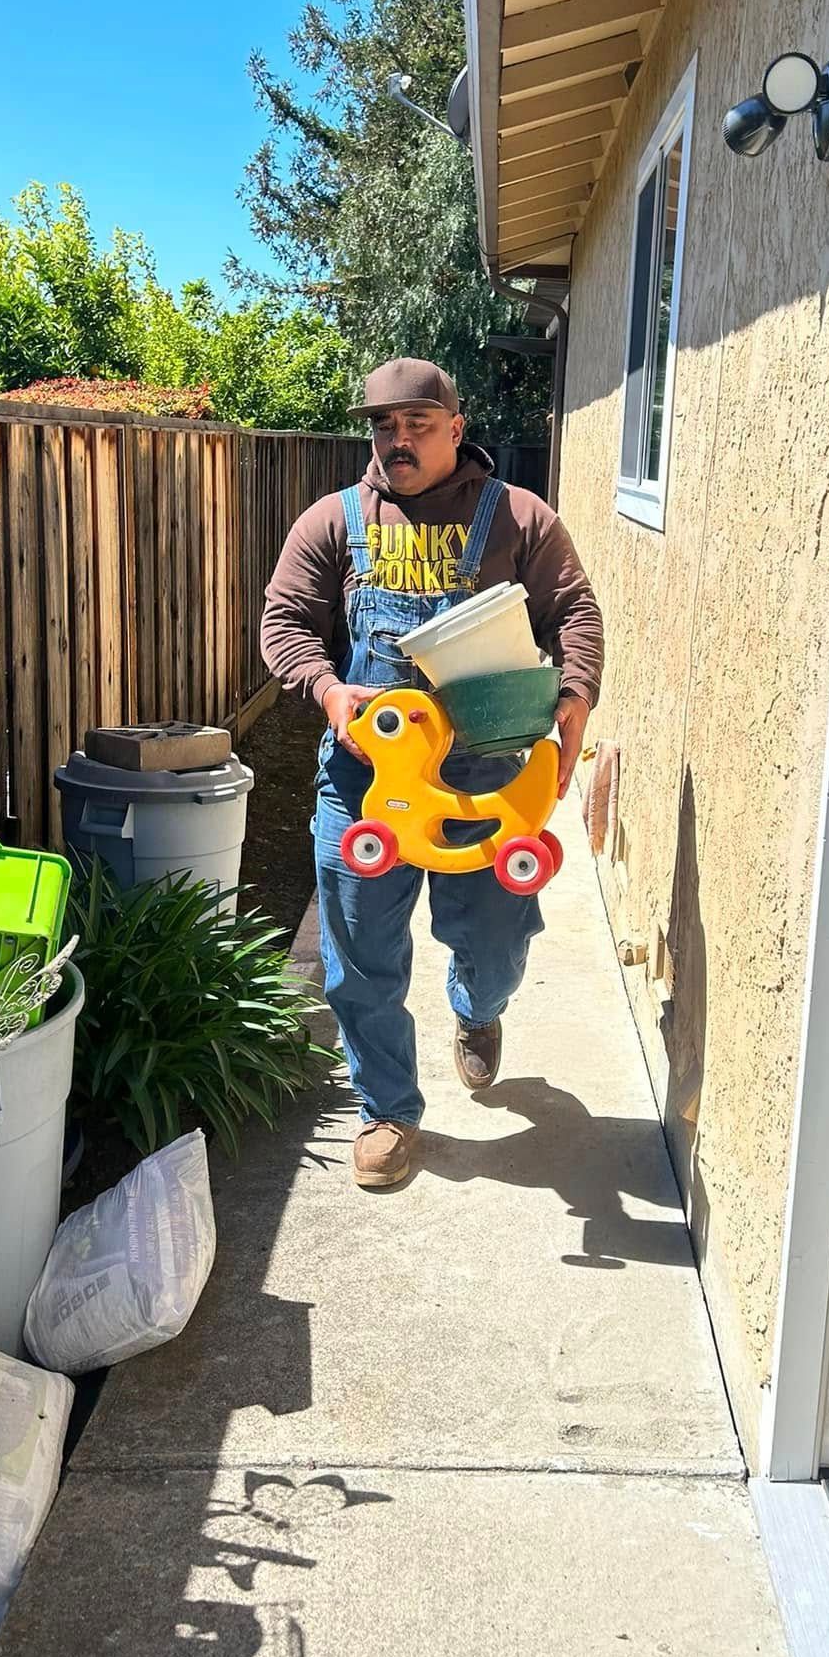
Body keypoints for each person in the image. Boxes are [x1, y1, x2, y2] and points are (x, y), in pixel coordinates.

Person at [260, 357, 604, 1189]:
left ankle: (476, 1010)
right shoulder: (333, 521)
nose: (399, 440)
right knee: (359, 956)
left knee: (495, 940)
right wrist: (330, 687)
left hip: (488, 776)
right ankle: (387, 1111)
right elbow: (285, 622)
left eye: (417, 424)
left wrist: (575, 694)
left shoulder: (518, 518)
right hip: (368, 779)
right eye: (384, 425)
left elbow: (575, 611)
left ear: (456, 427)